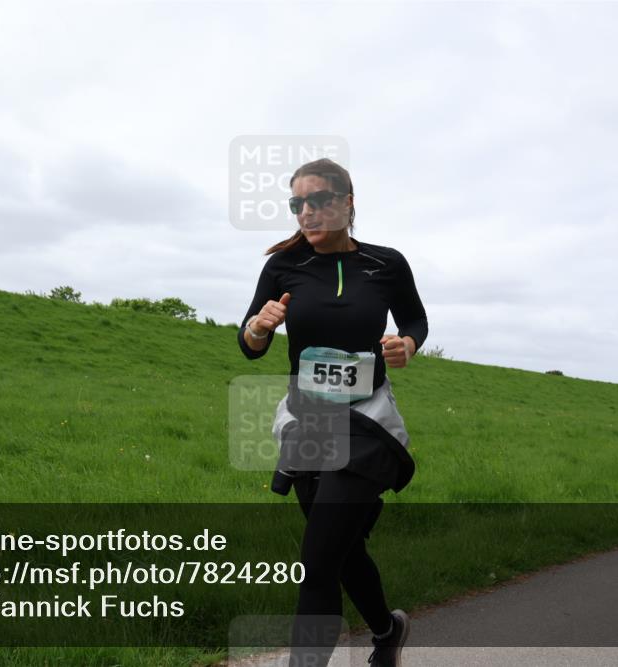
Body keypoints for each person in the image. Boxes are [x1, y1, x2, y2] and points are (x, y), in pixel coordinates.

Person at [237, 158, 428, 667]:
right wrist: (259, 326)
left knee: (318, 561)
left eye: (319, 200)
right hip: (309, 421)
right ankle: (388, 630)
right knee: (340, 552)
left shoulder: (386, 264)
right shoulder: (283, 267)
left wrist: (407, 344)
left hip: (366, 421)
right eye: (298, 204)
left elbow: (414, 318)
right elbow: (249, 343)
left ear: (348, 203)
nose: (307, 213)